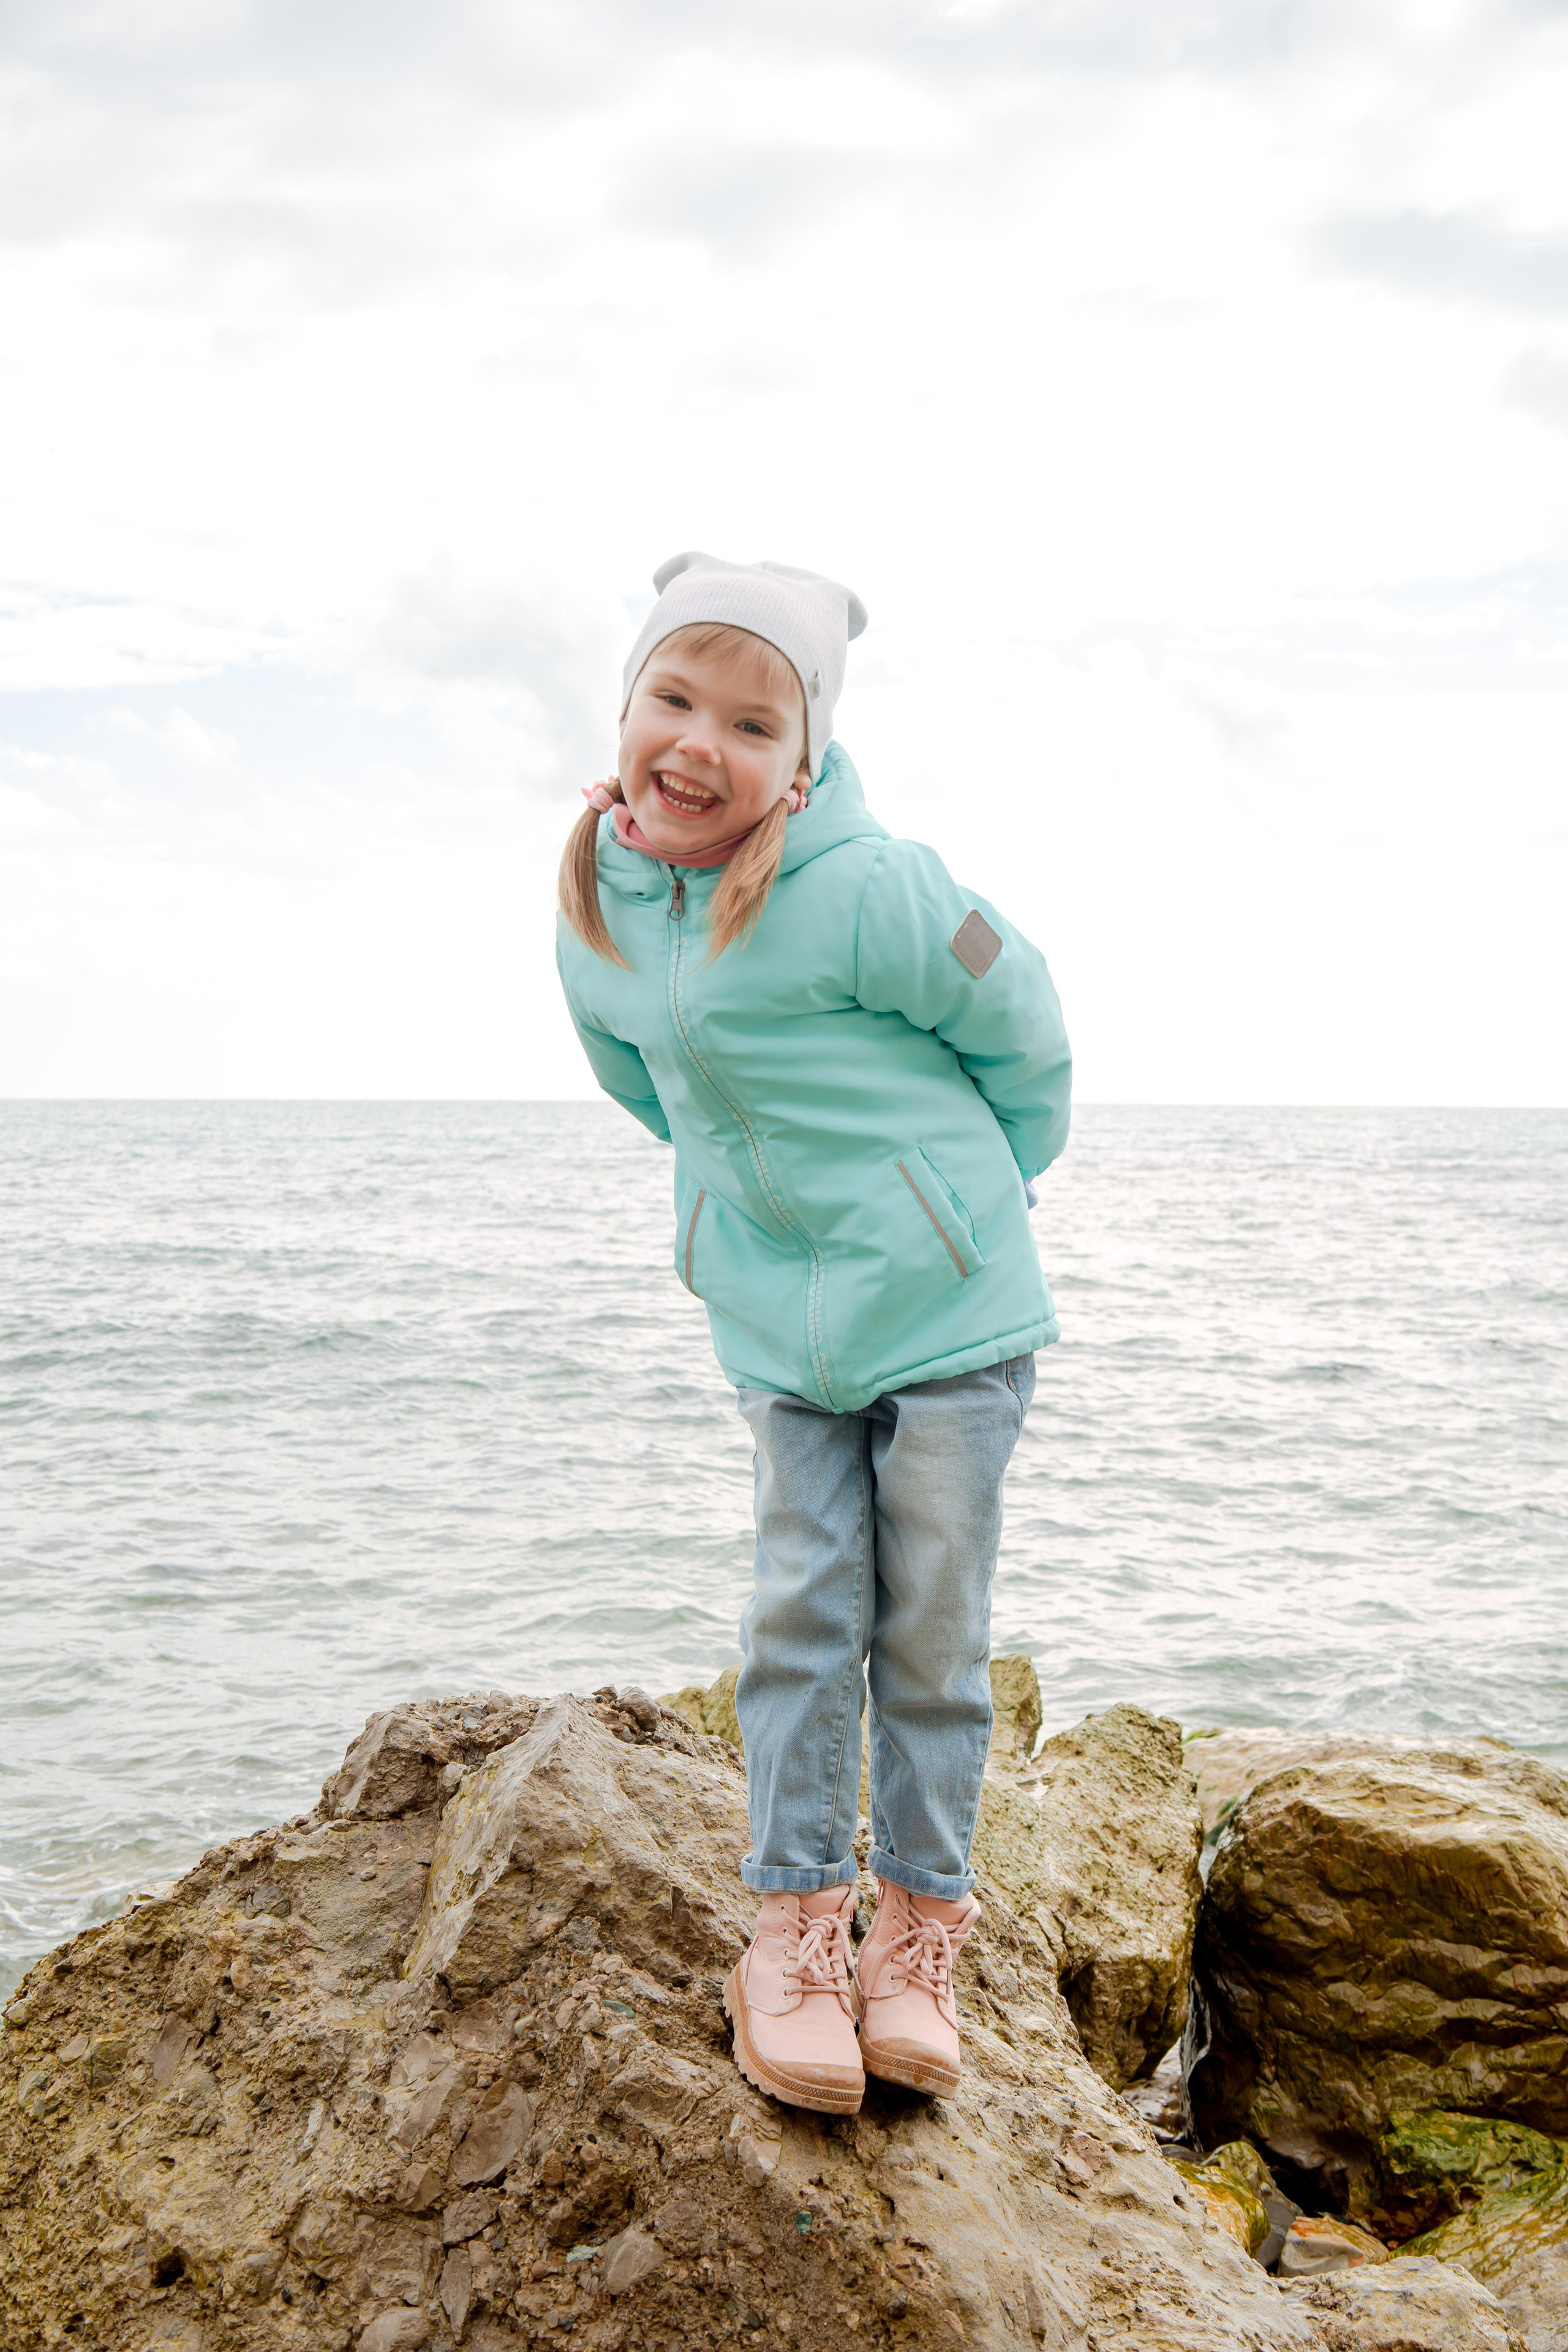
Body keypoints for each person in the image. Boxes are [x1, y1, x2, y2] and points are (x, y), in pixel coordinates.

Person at [556, 551, 1071, 2116]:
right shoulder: (601, 895)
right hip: (780, 1332)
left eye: (752, 721)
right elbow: (637, 1080)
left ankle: (914, 1940)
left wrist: (964, 1201)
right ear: (630, 707)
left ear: (805, 758)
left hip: (949, 1319)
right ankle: (788, 1935)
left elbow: (1024, 1026)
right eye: (673, 699)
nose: (699, 743)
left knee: (925, 1632)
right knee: (796, 1619)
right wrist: (743, 1224)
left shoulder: (867, 886)